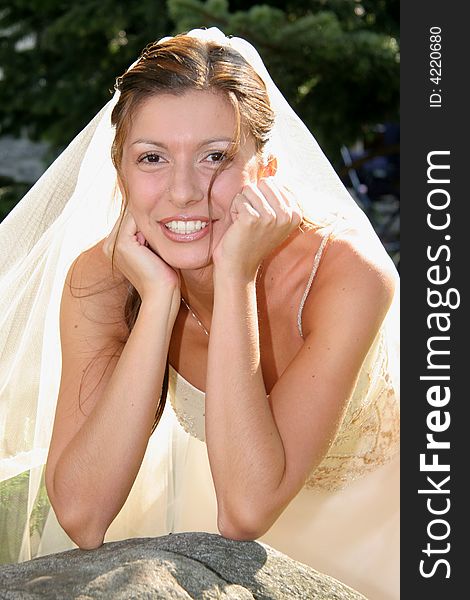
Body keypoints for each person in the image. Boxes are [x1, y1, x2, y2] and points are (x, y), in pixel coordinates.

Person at [0, 28, 399, 599]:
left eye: (216, 157)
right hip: (216, 540)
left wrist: (234, 276)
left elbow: (246, 511)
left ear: (267, 172)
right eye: (153, 158)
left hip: (386, 542)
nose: (184, 191)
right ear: (121, 175)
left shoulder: (346, 275)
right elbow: (82, 515)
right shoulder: (105, 279)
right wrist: (159, 300)